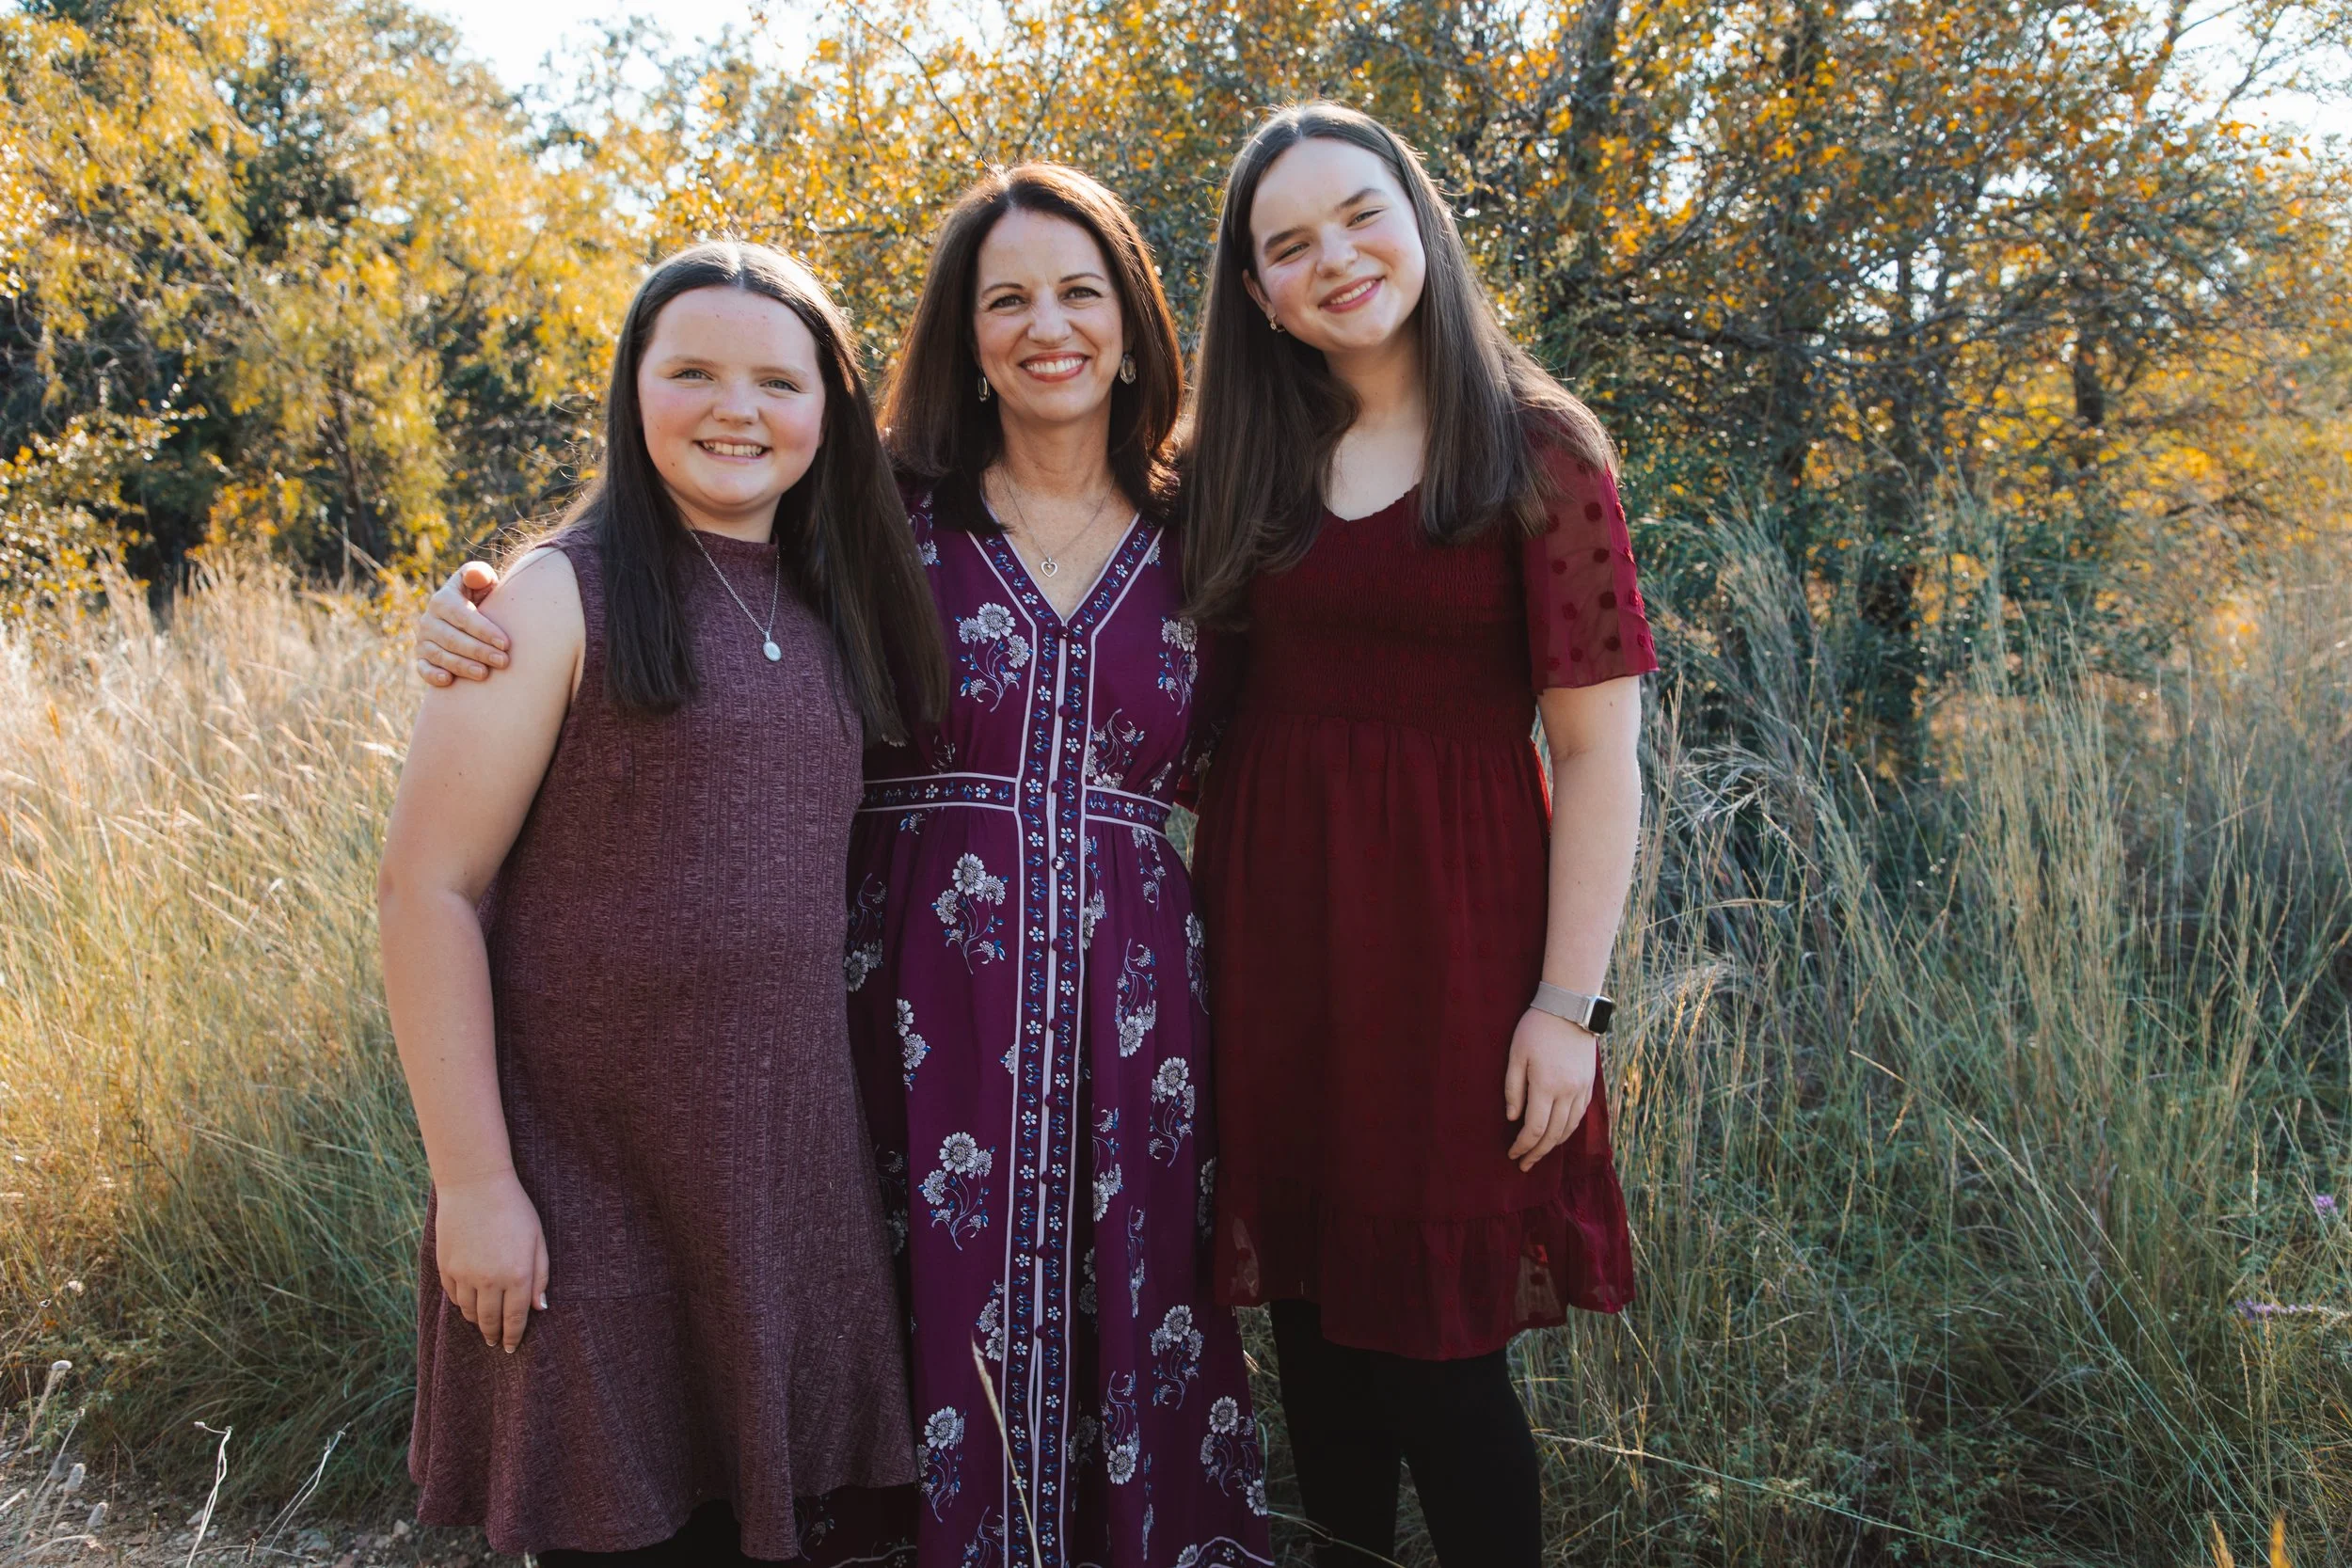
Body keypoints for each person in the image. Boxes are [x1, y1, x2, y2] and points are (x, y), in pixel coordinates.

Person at [409, 169, 1272, 1568]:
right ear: (962, 333)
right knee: (883, 1348)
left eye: (1078, 293)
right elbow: (676, 546)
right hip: (895, 1028)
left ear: (1134, 319)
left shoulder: (1219, 533)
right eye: (1005, 299)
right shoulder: (882, 523)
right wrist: (474, 609)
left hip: (1135, 1034)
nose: (1044, 327)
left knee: (1131, 1334)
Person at [377, 240, 946, 1565]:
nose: (734, 408)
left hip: (775, 1184)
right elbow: (426, 890)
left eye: (775, 379)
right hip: (585, 1187)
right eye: (690, 370)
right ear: (633, 392)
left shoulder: (834, 599)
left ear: (831, 407)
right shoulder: (556, 595)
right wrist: (474, 1183)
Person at [1181, 103, 1658, 1568]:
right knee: (1318, 1349)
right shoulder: (1239, 458)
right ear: (1256, 291)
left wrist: (1566, 1009)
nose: (1335, 259)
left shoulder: (1537, 451)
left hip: (1454, 969)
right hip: (1276, 960)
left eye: (1359, 215)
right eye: (1290, 245)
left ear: (1422, 217)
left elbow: (1599, 753)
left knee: (1439, 1363)